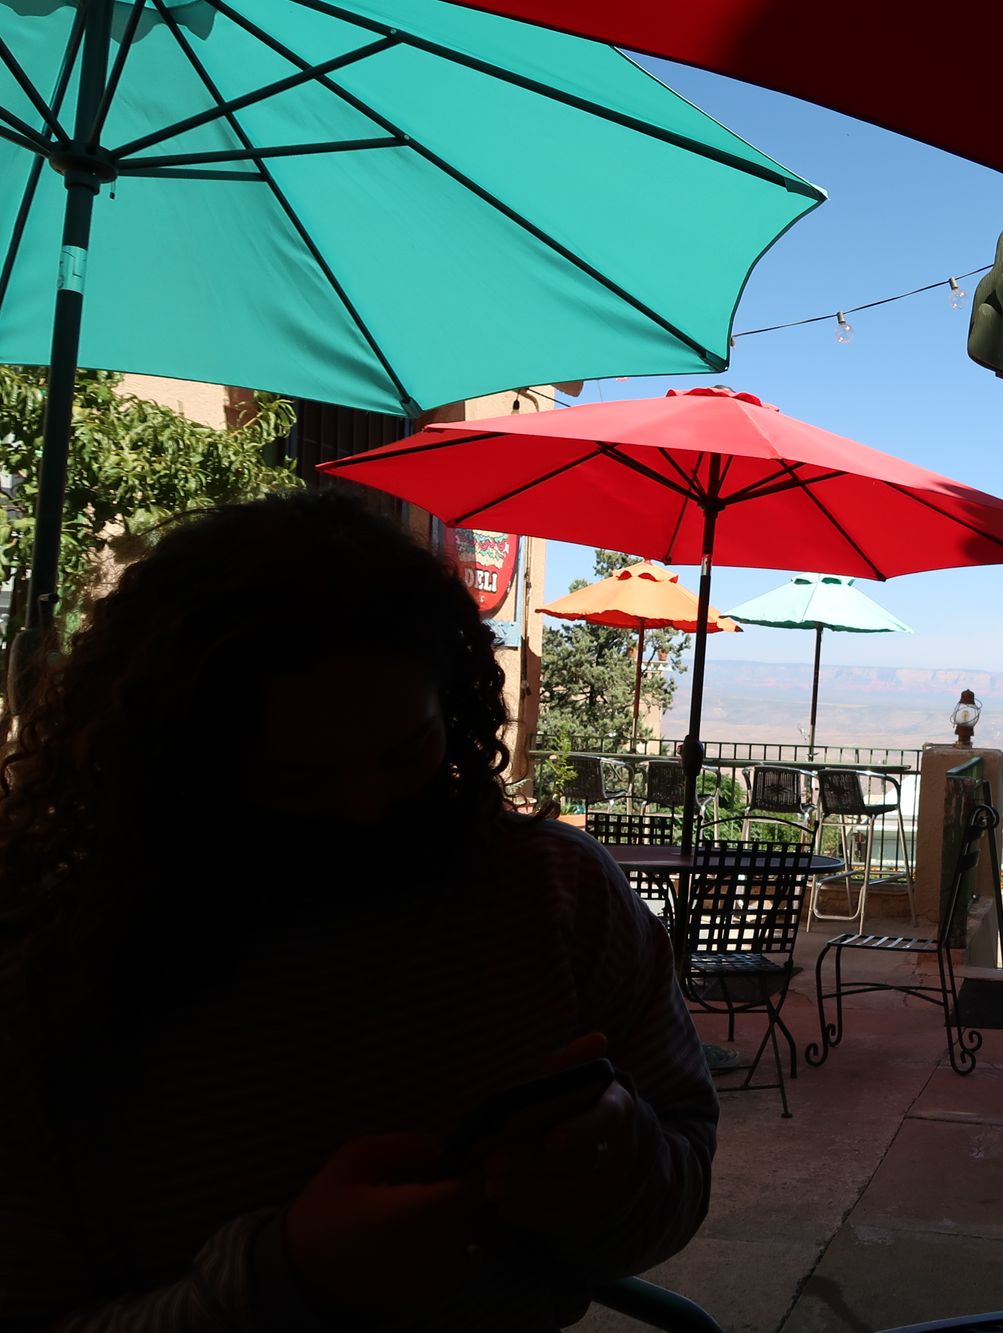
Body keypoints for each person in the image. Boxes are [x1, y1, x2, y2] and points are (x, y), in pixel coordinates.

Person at [0, 494, 718, 1330]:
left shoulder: (555, 894)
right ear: (178, 762)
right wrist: (284, 1280)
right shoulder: (45, 966)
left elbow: (680, 1166)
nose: (368, 807)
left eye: (406, 751)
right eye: (298, 779)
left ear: (452, 707)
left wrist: (620, 1166)